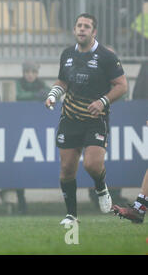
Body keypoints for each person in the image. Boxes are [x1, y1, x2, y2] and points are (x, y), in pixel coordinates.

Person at [45, 13, 128, 225]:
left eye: (86, 26)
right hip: (70, 118)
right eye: (79, 26)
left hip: (95, 119)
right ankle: (71, 215)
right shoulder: (67, 55)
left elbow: (122, 86)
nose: (82, 29)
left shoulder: (107, 56)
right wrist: (53, 95)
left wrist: (103, 101)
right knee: (67, 169)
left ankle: (100, 186)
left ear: (94, 32)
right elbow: (62, 81)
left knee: (92, 164)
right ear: (74, 30)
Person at [0, 61, 50, 215]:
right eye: (27, 71)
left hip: (37, 130)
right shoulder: (18, 84)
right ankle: (20, 201)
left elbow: (53, 94)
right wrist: (35, 96)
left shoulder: (42, 84)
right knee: (18, 168)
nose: (30, 75)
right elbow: (17, 95)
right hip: (17, 129)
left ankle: (20, 201)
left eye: (33, 72)